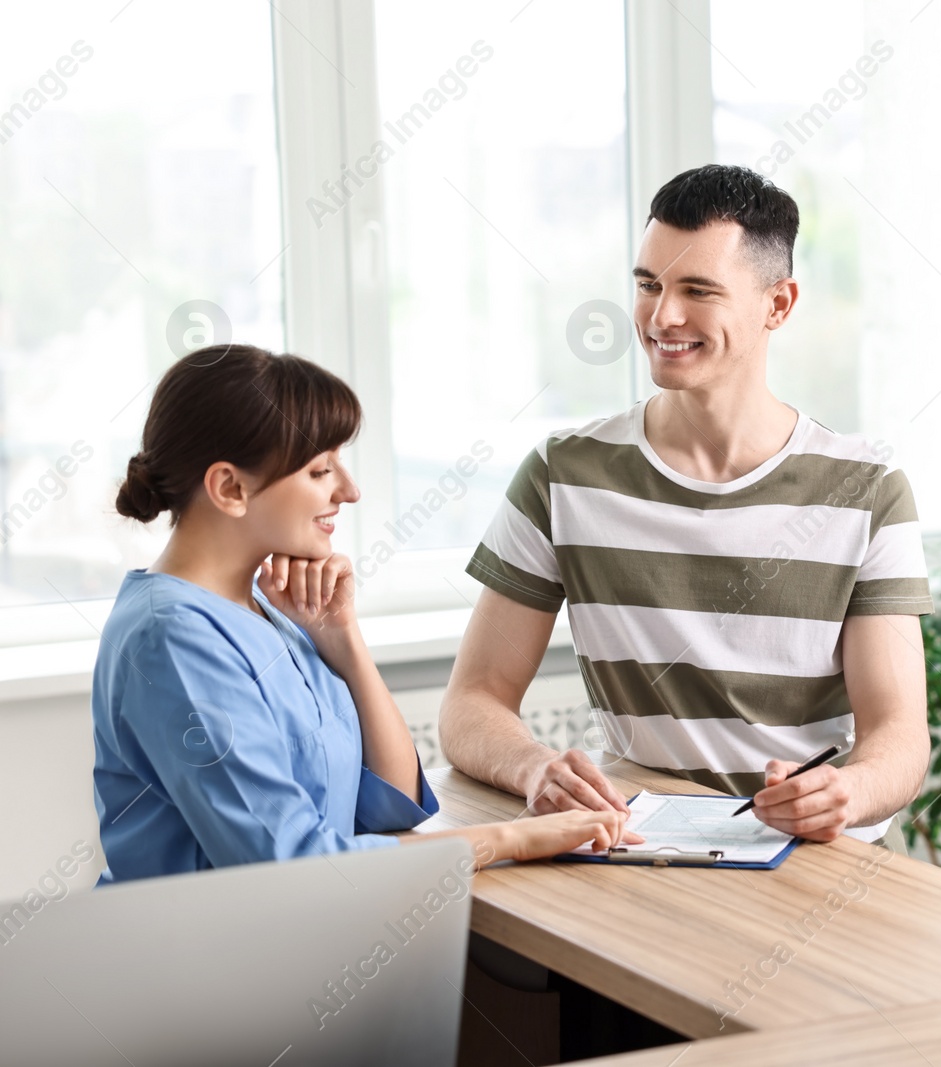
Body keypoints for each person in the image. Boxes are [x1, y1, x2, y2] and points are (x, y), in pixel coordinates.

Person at [441, 164, 933, 846]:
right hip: (641, 848)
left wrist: (847, 791)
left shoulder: (867, 487)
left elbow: (899, 735)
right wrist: (535, 768)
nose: (661, 316)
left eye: (697, 290)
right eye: (648, 285)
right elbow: (473, 699)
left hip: (811, 861)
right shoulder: (565, 473)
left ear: (778, 305)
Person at [93, 344, 638, 884]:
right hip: (213, 961)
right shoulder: (171, 638)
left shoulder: (266, 613)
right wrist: (515, 838)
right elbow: (288, 864)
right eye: (320, 470)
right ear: (231, 488)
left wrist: (344, 642)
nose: (349, 491)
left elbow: (394, 804)